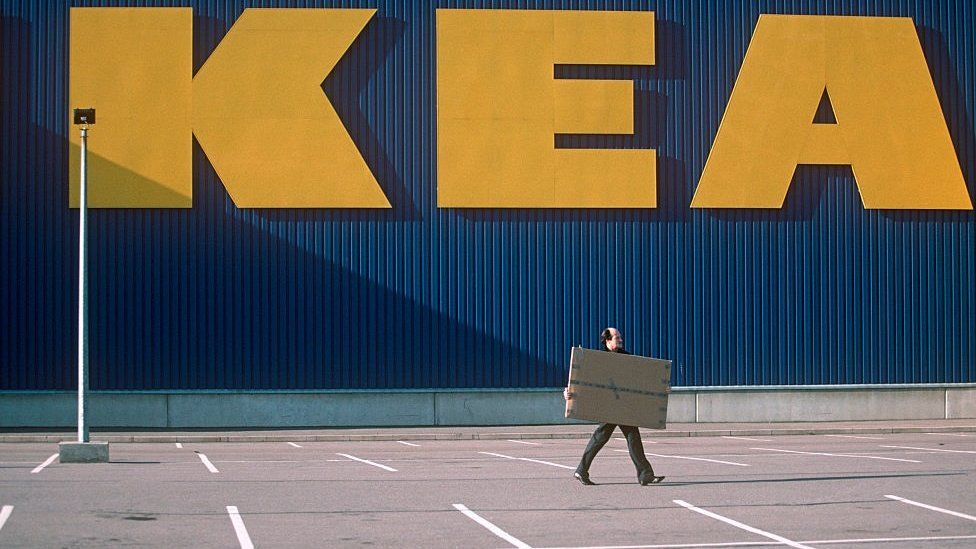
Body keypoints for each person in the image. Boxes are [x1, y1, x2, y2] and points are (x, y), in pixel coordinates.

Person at [564, 327, 665, 486]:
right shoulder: (597, 359)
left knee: (629, 438)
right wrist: (570, 393)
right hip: (608, 406)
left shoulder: (626, 357)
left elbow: (641, 378)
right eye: (617, 338)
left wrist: (662, 388)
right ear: (607, 340)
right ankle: (582, 470)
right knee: (605, 437)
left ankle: (645, 474)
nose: (621, 340)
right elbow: (583, 380)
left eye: (620, 337)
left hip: (622, 406)